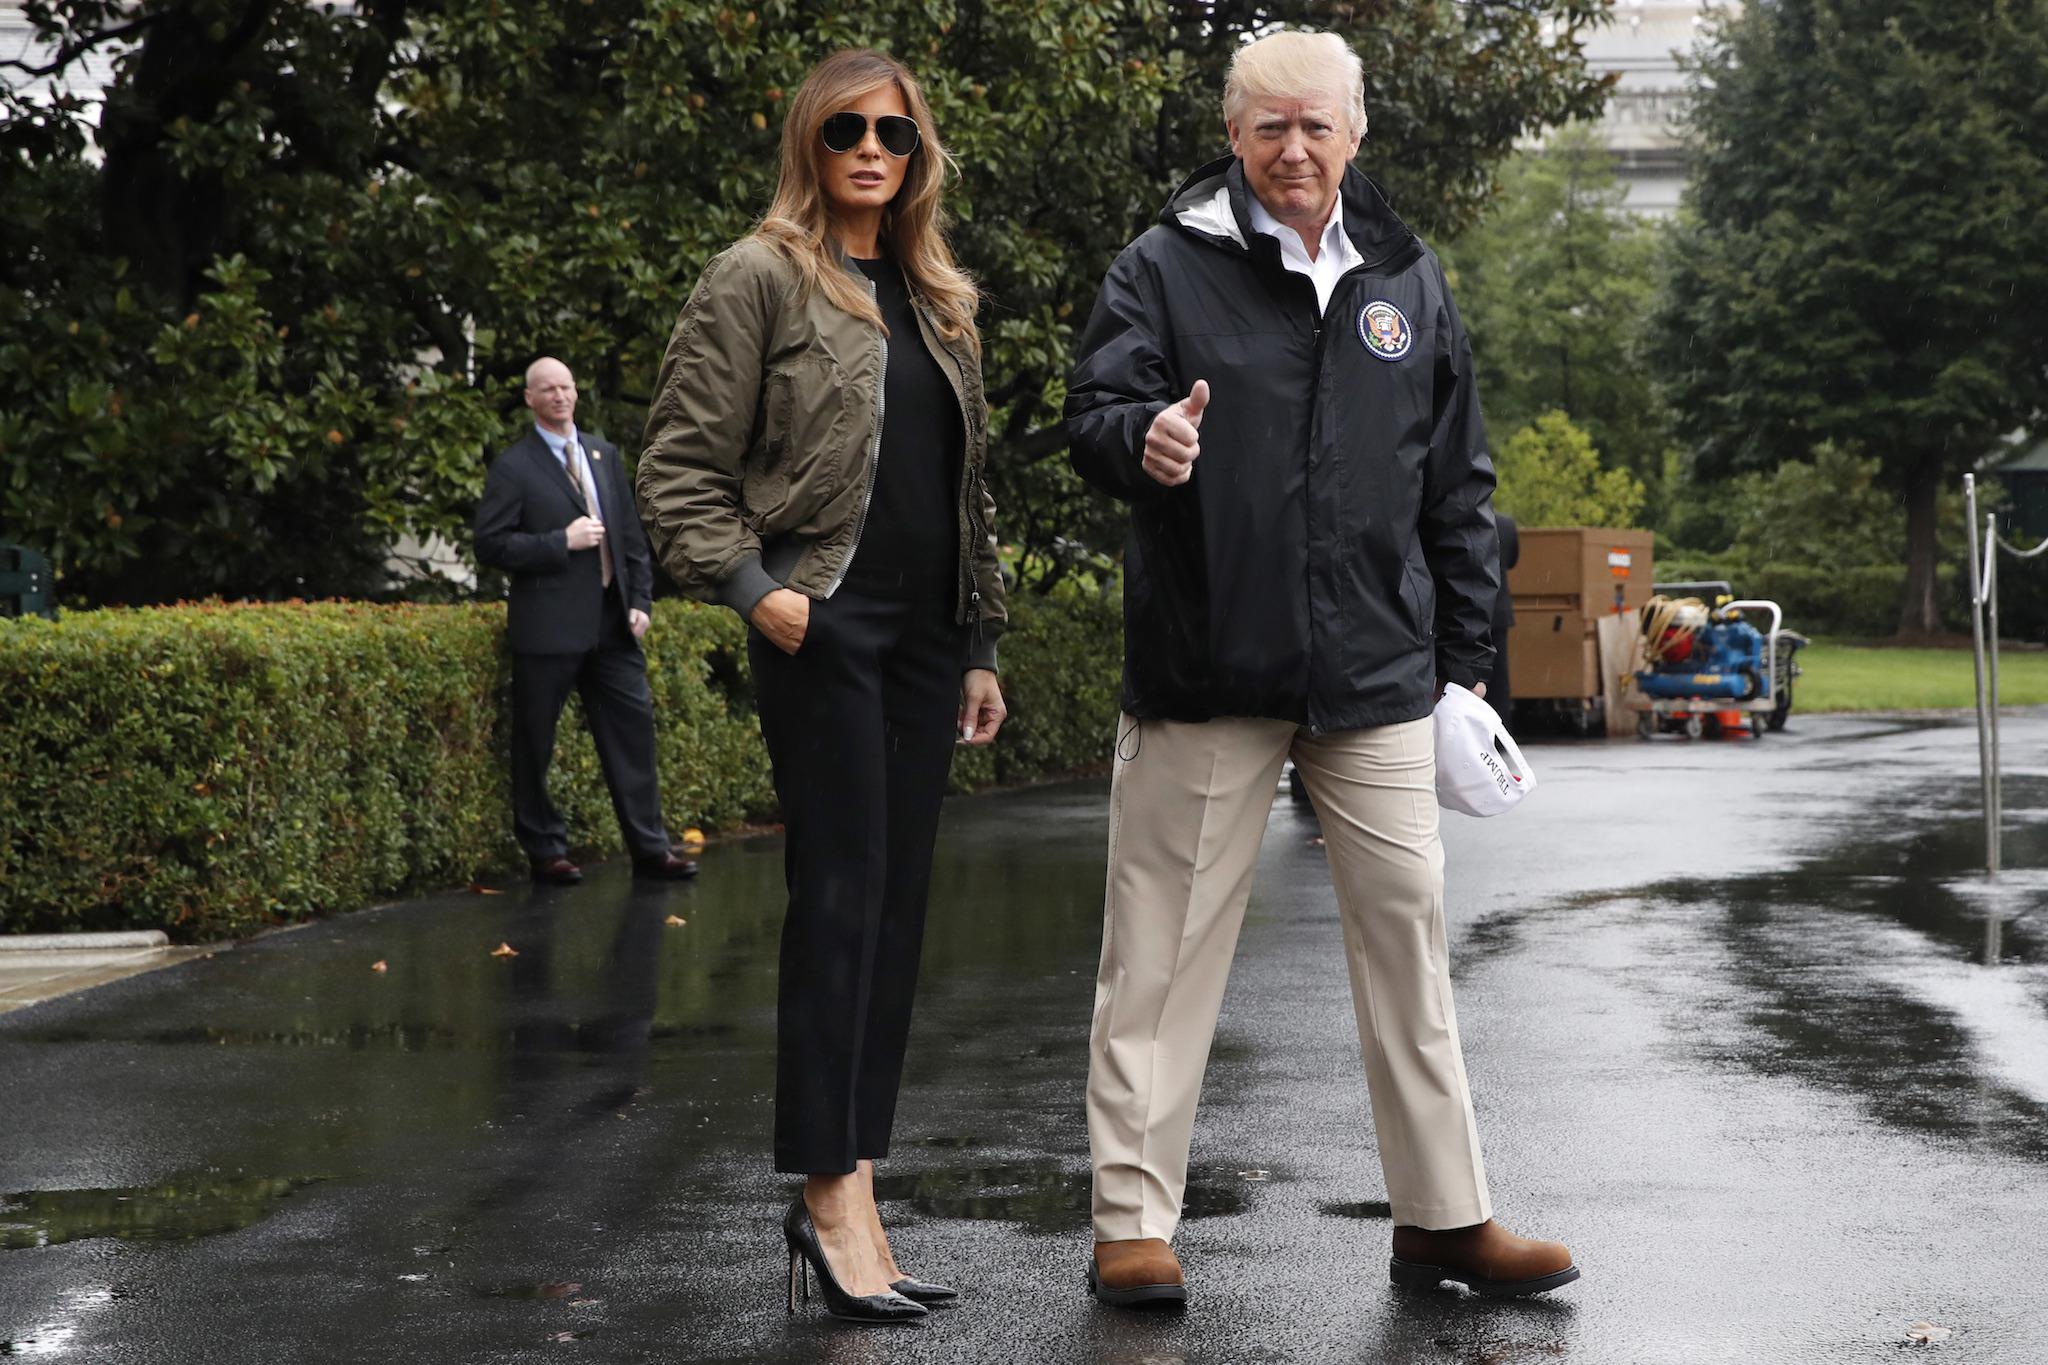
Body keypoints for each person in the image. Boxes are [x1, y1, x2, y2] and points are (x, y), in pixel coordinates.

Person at [1065, 30, 1577, 1306]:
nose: (1292, 149)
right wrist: (1145, 442)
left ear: (1355, 134)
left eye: (1315, 126)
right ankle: (1130, 1220)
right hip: (1207, 665)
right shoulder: (1164, 265)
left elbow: (1457, 489)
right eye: (1266, 128)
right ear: (1233, 139)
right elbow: (1092, 415)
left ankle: (1443, 1218)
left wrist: (1468, 665)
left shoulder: (1406, 275)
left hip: (1377, 673)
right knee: (1161, 949)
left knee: (1408, 942)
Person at [635, 48, 1007, 1324]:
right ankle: (826, 1194)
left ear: (917, 154)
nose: (869, 149)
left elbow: (968, 494)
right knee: (839, 901)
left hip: (924, 637)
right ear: (811, 142)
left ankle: (860, 1193)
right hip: (825, 625)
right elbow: (676, 471)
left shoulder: (934, 293)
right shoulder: (755, 277)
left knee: (897, 909)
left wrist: (979, 645)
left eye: (893, 134)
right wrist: (761, 594)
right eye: (846, 128)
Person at [473, 357, 698, 886]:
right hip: (548, 631)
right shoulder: (514, 467)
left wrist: (640, 598)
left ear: (576, 392)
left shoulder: (602, 453)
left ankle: (650, 849)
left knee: (633, 739)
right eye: (547, 389)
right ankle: (546, 852)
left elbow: (629, 535)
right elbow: (490, 543)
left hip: (612, 627)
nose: (559, 396)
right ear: (529, 399)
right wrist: (560, 543)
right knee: (535, 745)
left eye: (566, 386)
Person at [1488, 513, 1520, 725]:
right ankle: (1501, 730)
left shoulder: (1460, 519)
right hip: (1498, 610)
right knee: (1499, 678)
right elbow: (1512, 561)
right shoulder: (1505, 524)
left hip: (1469, 609)